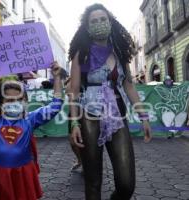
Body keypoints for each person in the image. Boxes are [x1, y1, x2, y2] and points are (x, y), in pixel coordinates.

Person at [68, 4, 152, 200]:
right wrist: (74, 123)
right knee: (93, 180)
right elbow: (73, 91)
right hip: (89, 115)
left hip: (117, 116)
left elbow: (129, 87)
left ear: (110, 22)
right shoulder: (81, 54)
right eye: (94, 21)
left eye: (103, 19)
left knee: (126, 183)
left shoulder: (120, 53)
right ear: (87, 27)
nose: (99, 24)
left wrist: (144, 117)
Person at [0, 57, 63, 200]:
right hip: (2, 174)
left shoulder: (30, 120)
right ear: (0, 102)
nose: (14, 103)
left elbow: (55, 106)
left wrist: (57, 78)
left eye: (19, 99)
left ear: (25, 101)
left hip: (23, 173)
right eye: (9, 100)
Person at [64, 78, 82, 171]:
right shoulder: (72, 79)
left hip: (88, 113)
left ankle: (89, 163)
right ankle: (80, 161)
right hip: (74, 113)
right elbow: (68, 92)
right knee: (73, 141)